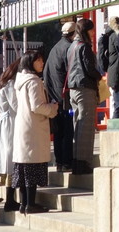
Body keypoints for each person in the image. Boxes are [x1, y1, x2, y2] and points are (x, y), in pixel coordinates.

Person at [12, 49, 56, 214]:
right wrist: (52, 108)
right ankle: (31, 204)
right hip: (33, 127)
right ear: (31, 62)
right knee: (32, 166)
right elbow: (37, 106)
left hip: (24, 126)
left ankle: (24, 203)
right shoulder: (34, 81)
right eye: (39, 60)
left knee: (24, 167)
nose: (42, 63)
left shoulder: (20, 80)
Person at [67, 18, 100, 175]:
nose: (93, 33)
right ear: (86, 31)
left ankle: (76, 161)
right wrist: (99, 76)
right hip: (85, 88)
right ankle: (84, 162)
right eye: (91, 30)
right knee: (86, 127)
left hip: (73, 89)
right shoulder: (85, 47)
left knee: (78, 125)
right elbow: (89, 69)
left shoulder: (72, 46)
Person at [43, 22, 76, 171]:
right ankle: (67, 161)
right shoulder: (70, 48)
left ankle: (60, 162)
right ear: (74, 33)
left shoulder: (54, 48)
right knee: (68, 130)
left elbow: (46, 74)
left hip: (54, 96)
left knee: (58, 132)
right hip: (66, 97)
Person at [0, 58, 21, 200]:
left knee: (9, 158)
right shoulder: (10, 84)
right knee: (11, 159)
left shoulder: (4, 83)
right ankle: (10, 198)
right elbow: (16, 105)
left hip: (7, 123)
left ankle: (11, 197)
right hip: (11, 123)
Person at [99, 17, 119, 118]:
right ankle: (115, 129)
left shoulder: (109, 35)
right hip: (118, 74)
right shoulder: (115, 36)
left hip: (114, 73)